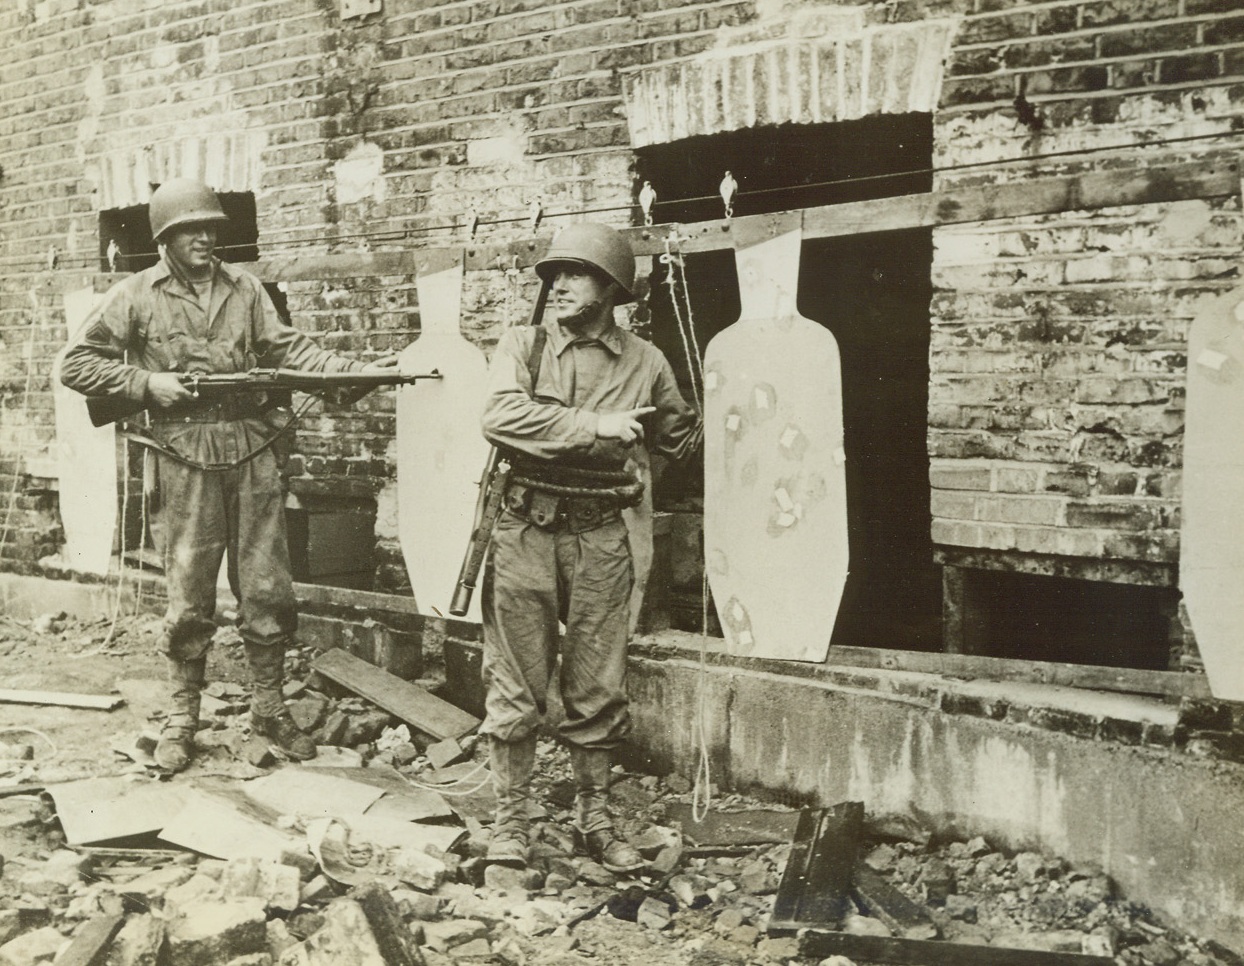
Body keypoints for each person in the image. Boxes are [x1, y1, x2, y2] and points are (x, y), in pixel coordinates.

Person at [60, 178, 395, 773]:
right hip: (182, 456)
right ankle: (181, 717)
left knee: (267, 588)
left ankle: (268, 708)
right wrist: (146, 385)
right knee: (189, 596)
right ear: (166, 237)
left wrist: (365, 369)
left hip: (250, 451)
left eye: (213, 227)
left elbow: (294, 355)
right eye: (194, 229)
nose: (208, 237)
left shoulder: (246, 289)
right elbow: (77, 364)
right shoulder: (135, 295)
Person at [479, 222, 701, 872]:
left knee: (598, 685)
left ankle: (594, 820)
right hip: (524, 529)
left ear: (611, 287)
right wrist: (594, 425)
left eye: (574, 273)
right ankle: (510, 826)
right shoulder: (523, 344)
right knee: (516, 683)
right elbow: (498, 416)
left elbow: (676, 441)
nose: (559, 283)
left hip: (604, 536)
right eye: (553, 274)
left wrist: (700, 424)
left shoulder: (648, 362)